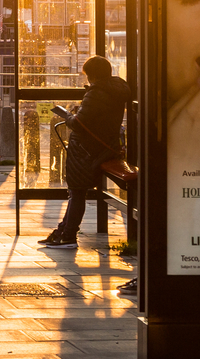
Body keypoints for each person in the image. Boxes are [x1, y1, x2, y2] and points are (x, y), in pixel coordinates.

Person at [40, 56, 132, 249]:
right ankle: (63, 230)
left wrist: (69, 116)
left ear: (92, 75)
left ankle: (68, 235)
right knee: (76, 192)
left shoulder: (97, 93)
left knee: (77, 191)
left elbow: (80, 124)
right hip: (105, 147)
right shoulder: (115, 89)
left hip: (87, 150)